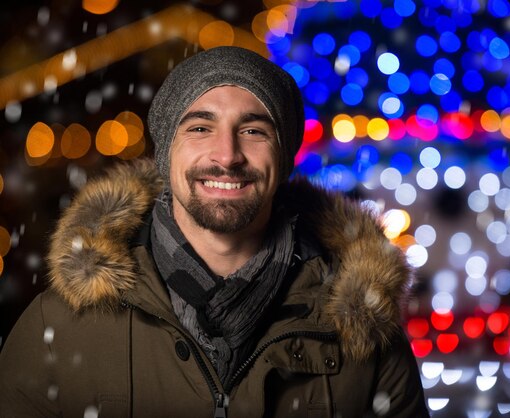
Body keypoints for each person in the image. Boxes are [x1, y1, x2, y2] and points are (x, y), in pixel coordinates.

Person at [0, 46, 428, 417]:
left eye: (253, 130)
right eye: (200, 128)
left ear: (283, 159)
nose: (227, 155)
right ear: (168, 154)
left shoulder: (364, 330)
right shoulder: (57, 326)